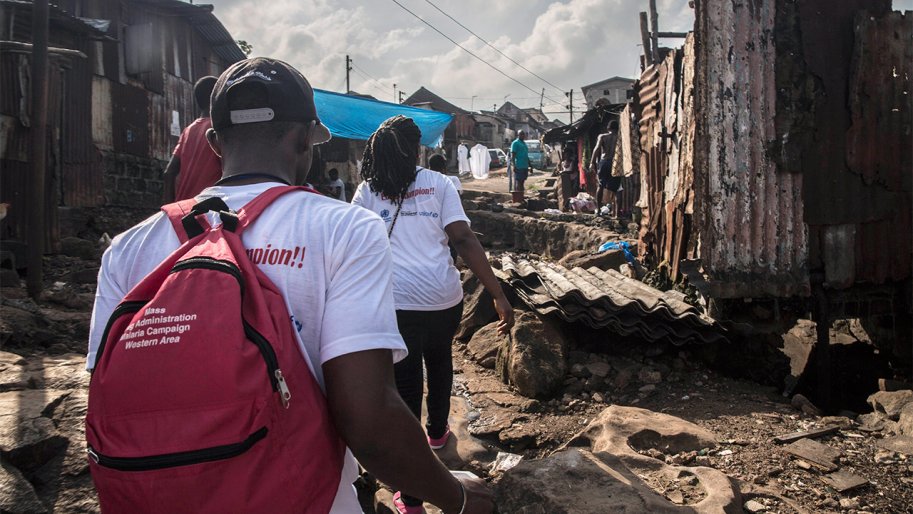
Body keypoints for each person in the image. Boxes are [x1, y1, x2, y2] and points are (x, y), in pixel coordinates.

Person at [87, 58, 494, 514]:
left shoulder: (128, 249)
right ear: (306, 139)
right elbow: (369, 419)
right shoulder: (345, 229)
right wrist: (457, 498)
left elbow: (112, 399)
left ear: (216, 142)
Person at [352, 115, 514, 514]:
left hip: (395, 303)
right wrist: (498, 294)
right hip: (443, 297)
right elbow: (462, 238)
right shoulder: (439, 184)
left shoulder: (369, 189)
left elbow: (351, 241)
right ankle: (439, 432)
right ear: (416, 149)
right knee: (441, 362)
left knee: (405, 388)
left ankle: (411, 496)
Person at [163, 76, 221, 202]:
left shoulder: (188, 131)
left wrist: (168, 210)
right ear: (218, 97)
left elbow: (169, 173)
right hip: (208, 210)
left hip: (183, 211)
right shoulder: (219, 129)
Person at [590, 120, 620, 216]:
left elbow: (597, 148)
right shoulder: (620, 138)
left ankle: (598, 210)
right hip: (615, 163)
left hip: (604, 162)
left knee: (600, 186)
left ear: (608, 128)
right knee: (616, 190)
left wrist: (592, 162)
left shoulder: (602, 136)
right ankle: (617, 214)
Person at [509, 131, 529, 203]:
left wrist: (530, 165)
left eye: (524, 134)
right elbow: (513, 155)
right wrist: (514, 165)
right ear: (518, 135)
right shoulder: (515, 143)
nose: (523, 136)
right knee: (519, 182)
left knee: (522, 181)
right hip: (519, 165)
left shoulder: (524, 143)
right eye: (521, 134)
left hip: (525, 165)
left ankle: (521, 196)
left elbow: (526, 155)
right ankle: (518, 199)